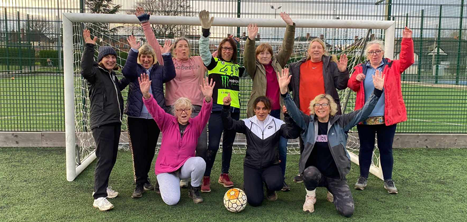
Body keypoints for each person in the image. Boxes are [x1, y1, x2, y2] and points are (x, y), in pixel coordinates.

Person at [278, 68, 385, 217]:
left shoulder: (341, 122)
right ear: (314, 108)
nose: (321, 107)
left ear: (331, 108)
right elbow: (293, 111)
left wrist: (377, 92)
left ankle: (331, 190)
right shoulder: (307, 122)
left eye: (324, 104)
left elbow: (363, 113)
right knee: (309, 173)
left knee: (347, 211)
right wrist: (284, 92)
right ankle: (310, 196)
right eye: (318, 105)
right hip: (315, 173)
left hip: (335, 176)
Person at [135, 7, 210, 189]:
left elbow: (212, 54)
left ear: (189, 49)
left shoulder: (199, 61)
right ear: (174, 50)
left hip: (197, 108)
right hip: (173, 109)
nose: (183, 48)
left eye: (185, 46)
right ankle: (172, 173)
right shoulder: (168, 62)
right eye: (179, 46)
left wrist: (207, 33)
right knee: (174, 145)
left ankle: (192, 178)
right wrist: (145, 23)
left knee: (201, 146)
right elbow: (153, 44)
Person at [348, 27, 414, 194]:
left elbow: (407, 60)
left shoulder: (393, 67)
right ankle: (363, 177)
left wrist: (406, 40)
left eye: (378, 51)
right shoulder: (361, 68)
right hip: (365, 118)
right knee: (365, 148)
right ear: (367, 55)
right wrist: (356, 79)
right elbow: (351, 86)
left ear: (383, 53)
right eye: (371, 52)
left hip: (387, 118)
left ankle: (388, 180)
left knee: (386, 149)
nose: (375, 54)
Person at [139, 73, 215, 205]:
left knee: (200, 162)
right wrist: (146, 95)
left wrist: (207, 98)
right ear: (175, 112)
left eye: (187, 109)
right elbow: (155, 109)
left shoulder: (196, 124)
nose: (183, 112)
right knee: (172, 201)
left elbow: (205, 113)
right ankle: (162, 181)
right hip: (166, 168)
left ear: (191, 111)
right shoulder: (166, 121)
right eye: (180, 110)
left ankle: (194, 189)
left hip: (184, 166)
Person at [243, 13, 295, 191]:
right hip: (259, 115)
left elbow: (287, 48)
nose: (265, 56)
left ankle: (279, 179)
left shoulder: (278, 64)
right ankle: (256, 178)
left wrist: (290, 26)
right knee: (257, 148)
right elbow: (247, 57)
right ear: (257, 56)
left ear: (272, 55)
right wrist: (250, 40)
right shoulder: (254, 69)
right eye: (261, 53)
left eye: (267, 53)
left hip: (277, 114)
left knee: (281, 147)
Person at [288, 38, 349, 183]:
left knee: (327, 143)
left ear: (323, 50)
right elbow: (289, 87)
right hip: (304, 112)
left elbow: (341, 85)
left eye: (319, 47)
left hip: (324, 113)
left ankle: (331, 174)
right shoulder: (297, 67)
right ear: (308, 51)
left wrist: (342, 71)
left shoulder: (330, 65)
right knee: (306, 143)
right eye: (313, 47)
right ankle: (305, 172)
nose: (316, 50)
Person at [122, 32, 176, 198]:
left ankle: (144, 178)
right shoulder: (135, 70)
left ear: (153, 58)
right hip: (136, 117)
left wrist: (166, 55)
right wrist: (133, 51)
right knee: (138, 150)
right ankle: (139, 184)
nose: (146, 59)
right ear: (140, 58)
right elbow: (126, 70)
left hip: (155, 117)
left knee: (150, 149)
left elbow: (170, 74)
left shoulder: (159, 71)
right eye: (143, 56)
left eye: (148, 57)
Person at [222, 93, 299, 206]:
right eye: (258, 108)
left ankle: (269, 188)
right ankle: (252, 183)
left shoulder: (278, 123)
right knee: (255, 201)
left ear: (269, 110)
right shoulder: (248, 123)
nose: (261, 112)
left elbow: (292, 134)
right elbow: (229, 125)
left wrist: (287, 116)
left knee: (277, 184)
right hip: (251, 165)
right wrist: (226, 107)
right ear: (254, 109)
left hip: (271, 165)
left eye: (264, 108)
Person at [81, 29, 129, 211]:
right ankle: (99, 196)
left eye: (113, 57)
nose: (111, 60)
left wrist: (132, 77)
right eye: (107, 57)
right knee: (104, 158)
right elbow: (85, 69)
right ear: (100, 59)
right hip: (102, 123)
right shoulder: (95, 74)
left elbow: (118, 87)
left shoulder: (111, 75)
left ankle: (103, 188)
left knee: (110, 157)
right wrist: (89, 46)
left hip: (114, 122)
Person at [198, 10, 245, 192]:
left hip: (233, 110)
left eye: (230, 48)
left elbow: (249, 61)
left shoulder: (237, 68)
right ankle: (207, 175)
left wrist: (248, 42)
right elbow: (203, 51)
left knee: (228, 144)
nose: (227, 51)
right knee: (213, 145)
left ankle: (224, 173)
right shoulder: (214, 63)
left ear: (233, 51)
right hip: (217, 109)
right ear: (220, 50)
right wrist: (205, 32)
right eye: (224, 48)